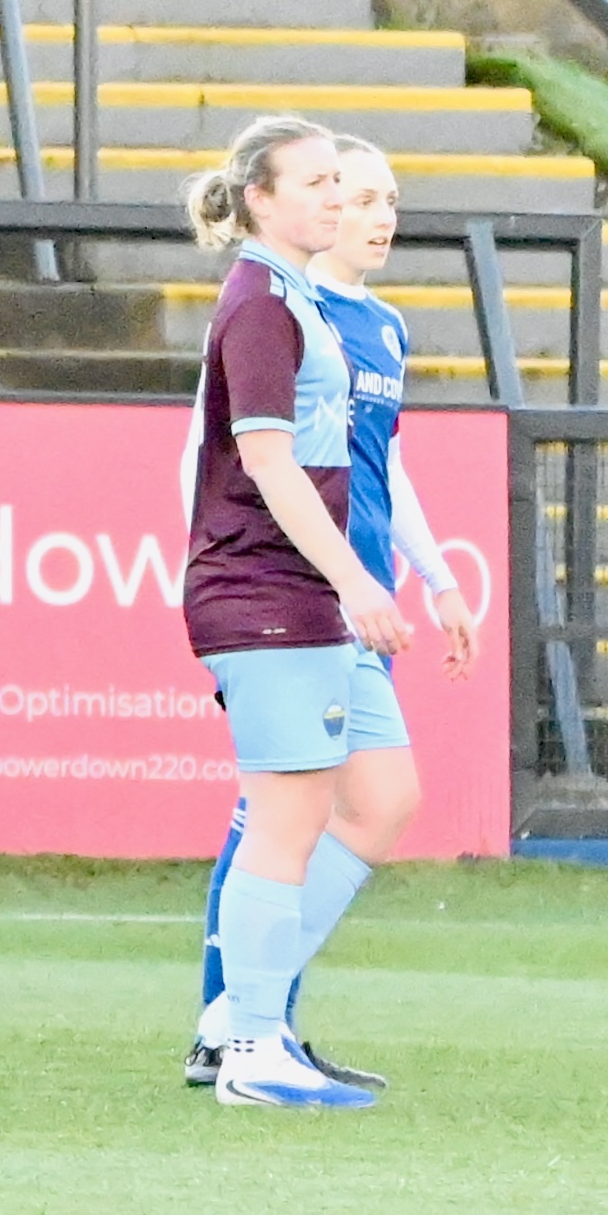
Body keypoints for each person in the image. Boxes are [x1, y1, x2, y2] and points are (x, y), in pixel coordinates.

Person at [177, 115, 432, 1110]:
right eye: (318, 183)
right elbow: (268, 464)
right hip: (273, 593)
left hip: (307, 594)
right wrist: (356, 578)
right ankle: (248, 1046)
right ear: (261, 200)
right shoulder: (259, 303)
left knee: (383, 799)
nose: (337, 198)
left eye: (344, 182)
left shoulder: (298, 297)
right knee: (284, 821)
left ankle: (253, 1019)